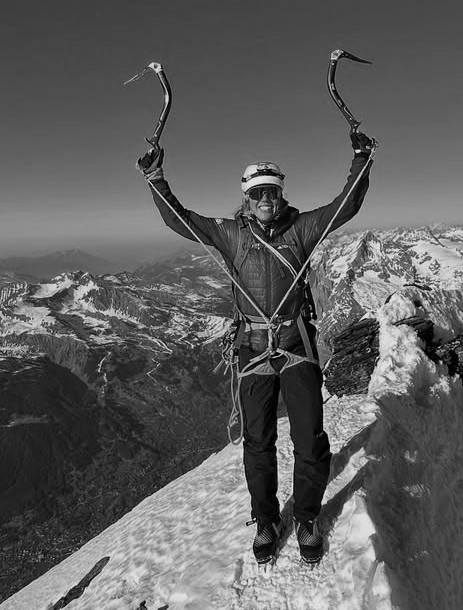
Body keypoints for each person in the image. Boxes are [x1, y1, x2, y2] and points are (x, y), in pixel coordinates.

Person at [137, 130, 375, 564]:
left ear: (282, 193)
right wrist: (156, 178)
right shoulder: (232, 234)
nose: (266, 198)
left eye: (272, 191)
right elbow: (181, 219)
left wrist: (362, 158)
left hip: (294, 344)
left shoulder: (301, 228)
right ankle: (266, 519)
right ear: (246, 198)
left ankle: (306, 518)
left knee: (310, 439)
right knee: (257, 442)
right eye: (258, 192)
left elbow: (345, 205)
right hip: (253, 347)